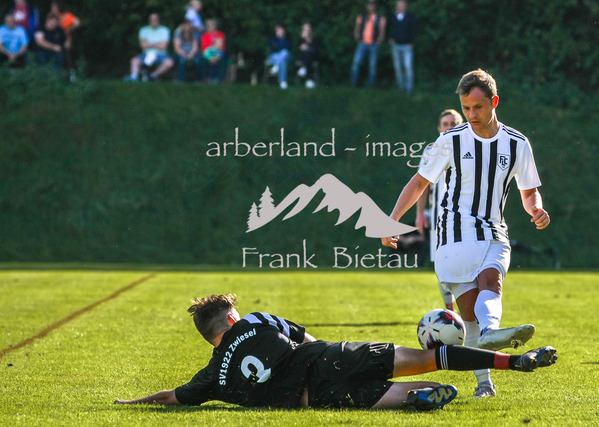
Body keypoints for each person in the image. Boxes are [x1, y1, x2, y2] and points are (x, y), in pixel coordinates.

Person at [382, 69, 551, 398]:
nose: (472, 114)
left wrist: (536, 209)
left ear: (494, 102)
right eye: (466, 108)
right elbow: (419, 182)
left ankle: (492, 332)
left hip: (494, 231)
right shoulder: (449, 140)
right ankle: (484, 382)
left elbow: (529, 191)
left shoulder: (517, 143)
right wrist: (393, 220)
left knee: (492, 281)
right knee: (469, 318)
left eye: (478, 107)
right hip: (453, 236)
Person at [114, 293, 557, 411]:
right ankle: (514, 361)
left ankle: (418, 397)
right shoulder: (253, 321)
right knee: (430, 356)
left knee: (395, 395)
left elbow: (171, 396)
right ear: (231, 319)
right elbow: (305, 338)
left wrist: (132, 402)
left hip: (318, 396)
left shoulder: (212, 377)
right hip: (332, 356)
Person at [415, 109, 464, 312]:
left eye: (454, 123)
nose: (449, 127)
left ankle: (470, 310)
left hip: (466, 219)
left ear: (462, 126)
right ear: (439, 128)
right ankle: (450, 311)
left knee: (465, 265)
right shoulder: (431, 151)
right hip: (439, 220)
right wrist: (420, 214)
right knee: (443, 267)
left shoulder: (471, 147)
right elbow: (422, 184)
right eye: (445, 124)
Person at [124, 13, 174, 82]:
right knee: (134, 60)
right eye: (152, 19)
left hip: (161, 54)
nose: (154, 21)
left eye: (155, 19)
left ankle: (152, 76)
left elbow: (163, 46)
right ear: (149, 21)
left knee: (169, 63)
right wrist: (158, 44)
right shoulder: (143, 30)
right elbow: (143, 45)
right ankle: (134, 77)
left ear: (159, 20)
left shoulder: (165, 30)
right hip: (146, 53)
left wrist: (149, 44)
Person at [350, 0, 386, 88]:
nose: (371, 7)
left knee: (372, 66)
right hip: (362, 44)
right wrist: (357, 36)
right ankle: (353, 84)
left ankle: (371, 85)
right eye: (369, 5)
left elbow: (382, 31)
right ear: (367, 6)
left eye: (373, 5)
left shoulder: (380, 18)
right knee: (356, 63)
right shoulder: (361, 17)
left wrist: (379, 40)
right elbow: (357, 27)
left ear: (375, 6)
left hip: (374, 45)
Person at [388, 0, 417, 93]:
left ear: (406, 6)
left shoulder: (410, 17)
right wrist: (390, 38)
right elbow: (388, 28)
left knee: (407, 67)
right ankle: (401, 87)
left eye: (403, 4)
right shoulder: (393, 17)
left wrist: (411, 42)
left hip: (406, 46)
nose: (401, 6)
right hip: (396, 45)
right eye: (399, 4)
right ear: (397, 6)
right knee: (398, 67)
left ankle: (409, 88)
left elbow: (414, 30)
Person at [49, 1, 80, 80]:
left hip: (65, 38)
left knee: (67, 53)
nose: (52, 9)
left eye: (54, 7)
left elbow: (77, 23)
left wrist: (68, 30)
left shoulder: (66, 16)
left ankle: (71, 73)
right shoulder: (51, 16)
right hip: (55, 39)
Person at [201, 18, 225, 84]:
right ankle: (205, 78)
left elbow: (221, 47)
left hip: (218, 53)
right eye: (208, 26)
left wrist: (216, 57)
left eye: (211, 25)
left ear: (215, 26)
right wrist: (210, 58)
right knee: (203, 59)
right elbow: (204, 48)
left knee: (222, 58)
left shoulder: (220, 34)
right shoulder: (205, 36)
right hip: (208, 53)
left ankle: (221, 79)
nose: (209, 27)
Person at [267, 24, 292, 89]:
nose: (279, 32)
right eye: (278, 31)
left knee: (284, 52)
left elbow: (288, 47)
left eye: (281, 30)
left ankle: (276, 67)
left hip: (285, 56)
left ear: (284, 31)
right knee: (282, 61)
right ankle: (282, 81)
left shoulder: (287, 39)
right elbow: (273, 49)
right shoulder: (273, 39)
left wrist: (279, 47)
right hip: (274, 57)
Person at [297, 22, 319, 89]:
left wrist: (307, 40)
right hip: (303, 58)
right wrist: (304, 40)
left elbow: (315, 49)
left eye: (308, 29)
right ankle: (310, 79)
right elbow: (300, 49)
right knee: (306, 53)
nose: (307, 31)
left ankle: (304, 68)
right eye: (305, 29)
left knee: (308, 53)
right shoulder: (300, 39)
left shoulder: (314, 39)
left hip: (313, 57)